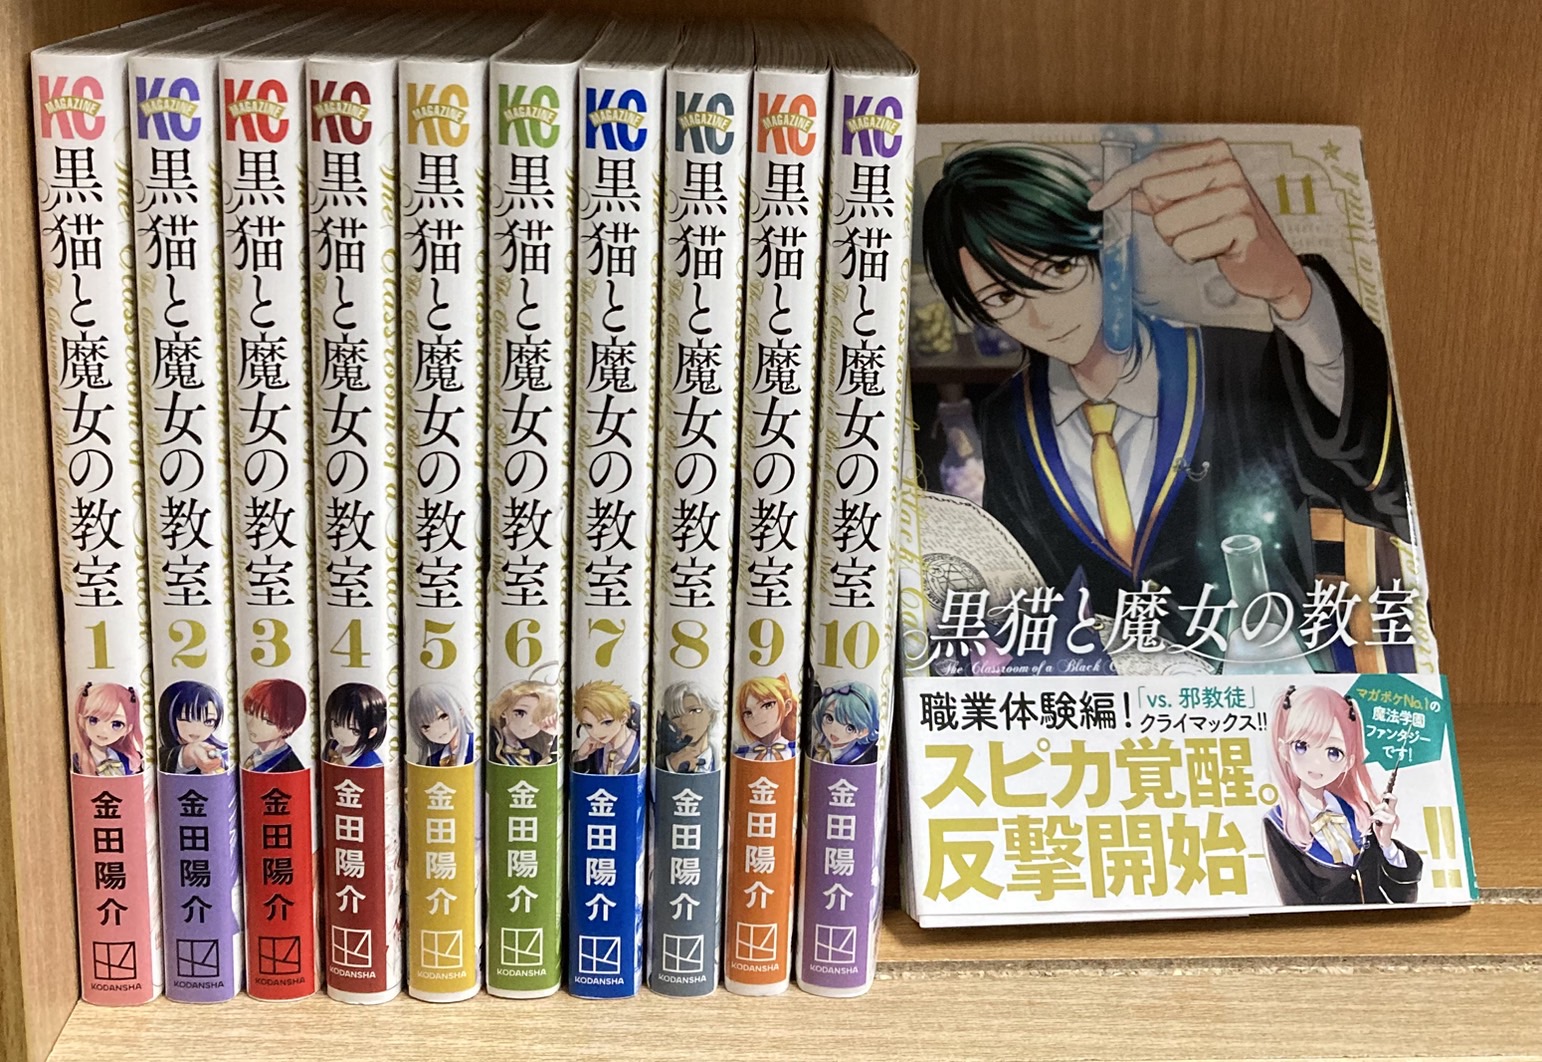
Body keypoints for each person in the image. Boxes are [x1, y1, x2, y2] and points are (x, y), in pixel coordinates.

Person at [921, 141, 1409, 667]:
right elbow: (1018, 585)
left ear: (1104, 248)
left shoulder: (1241, 366)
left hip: (1268, 684)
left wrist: (1295, 296)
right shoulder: (1007, 417)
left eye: (1058, 268)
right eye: (1003, 298)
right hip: (1103, 699)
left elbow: (1388, 490)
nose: (1042, 315)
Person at [1264, 684, 1422, 904]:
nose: (1316, 763)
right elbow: (1296, 903)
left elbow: (1400, 897)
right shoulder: (1278, 824)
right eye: (1301, 746)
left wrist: (1386, 844)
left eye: (1333, 752)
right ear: (1284, 751)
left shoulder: (1360, 813)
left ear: (1348, 761)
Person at [71, 681, 144, 776]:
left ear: (128, 729)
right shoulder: (77, 762)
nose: (103, 730)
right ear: (81, 721)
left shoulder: (130, 760)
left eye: (116, 724)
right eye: (93, 720)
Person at [159, 680, 229, 775]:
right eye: (187, 718)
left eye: (209, 721)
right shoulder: (160, 755)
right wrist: (188, 753)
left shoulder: (219, 751)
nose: (198, 729)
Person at [571, 679, 640, 775]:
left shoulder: (640, 747)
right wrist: (580, 756)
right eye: (588, 725)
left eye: (607, 722)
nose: (596, 732)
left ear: (624, 718)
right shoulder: (594, 751)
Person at [241, 679, 306, 773]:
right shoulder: (253, 758)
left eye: (268, 720)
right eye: (250, 713)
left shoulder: (291, 768)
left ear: (288, 727)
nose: (253, 724)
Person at [490, 680, 559, 767]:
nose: (529, 723)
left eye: (537, 717)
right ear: (504, 711)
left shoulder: (535, 752)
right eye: (520, 713)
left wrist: (553, 733)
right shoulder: (491, 741)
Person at [657, 681, 721, 774]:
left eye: (695, 710)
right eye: (676, 715)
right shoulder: (663, 761)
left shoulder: (721, 757)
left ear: (711, 714)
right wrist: (671, 767)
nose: (684, 721)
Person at [809, 683, 879, 766]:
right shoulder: (818, 740)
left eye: (849, 728)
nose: (835, 730)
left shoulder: (865, 756)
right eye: (829, 718)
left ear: (864, 732)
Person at [732, 674, 798, 761]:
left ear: (787, 707)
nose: (756, 716)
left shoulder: (794, 749)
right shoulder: (741, 753)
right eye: (748, 713)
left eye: (767, 705)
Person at [407, 684, 475, 767]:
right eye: (426, 726)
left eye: (443, 716)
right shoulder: (432, 761)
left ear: (460, 711)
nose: (437, 730)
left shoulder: (476, 746)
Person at [322, 682, 388, 768]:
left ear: (371, 732)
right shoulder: (332, 745)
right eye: (336, 724)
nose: (341, 733)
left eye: (354, 730)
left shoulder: (371, 764)